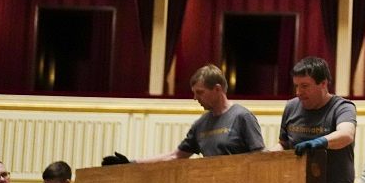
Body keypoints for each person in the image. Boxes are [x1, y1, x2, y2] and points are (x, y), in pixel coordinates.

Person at [104, 64, 264, 163]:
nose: (195, 98)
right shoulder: (200, 124)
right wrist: (132, 163)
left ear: (217, 89)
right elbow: (176, 155)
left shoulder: (242, 117)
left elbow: (260, 160)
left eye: (200, 93)